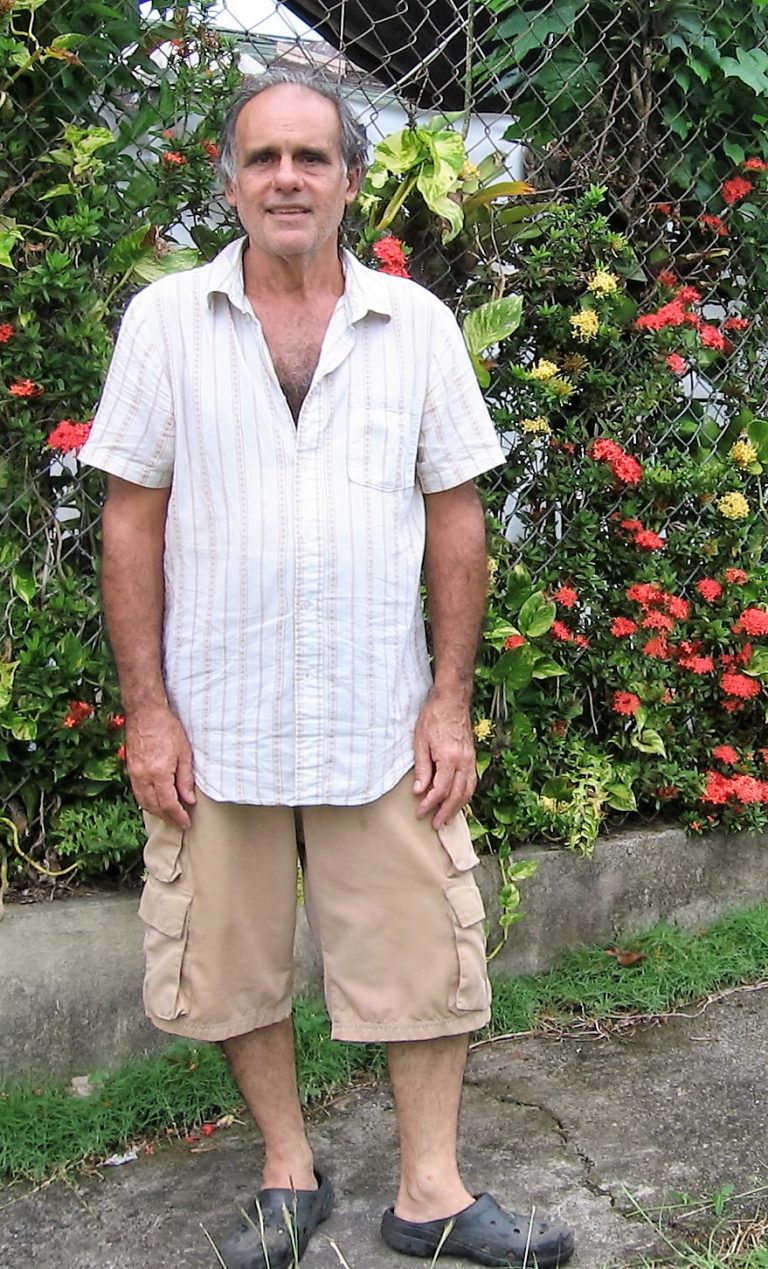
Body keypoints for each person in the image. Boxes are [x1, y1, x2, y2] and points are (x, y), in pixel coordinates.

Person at [81, 66, 574, 1269]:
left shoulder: (418, 328)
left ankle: (431, 1194)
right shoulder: (165, 324)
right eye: (264, 158)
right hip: (217, 714)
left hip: (379, 713)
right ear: (229, 183)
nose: (288, 178)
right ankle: (287, 1172)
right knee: (227, 955)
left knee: (425, 949)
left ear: (353, 181)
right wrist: (149, 713)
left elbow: (456, 518)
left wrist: (448, 703)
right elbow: (130, 523)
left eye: (312, 157)